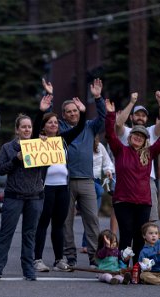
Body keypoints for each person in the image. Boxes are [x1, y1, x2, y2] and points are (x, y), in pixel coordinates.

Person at [105, 100, 160, 263]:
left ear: (145, 140)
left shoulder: (150, 153)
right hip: (123, 201)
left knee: (139, 236)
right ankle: (123, 268)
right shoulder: (120, 150)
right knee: (126, 234)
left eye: (141, 136)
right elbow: (110, 134)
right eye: (135, 135)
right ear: (130, 137)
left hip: (144, 202)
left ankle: (137, 268)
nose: (138, 138)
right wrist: (110, 115)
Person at [0, 114, 49, 281]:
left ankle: (29, 270)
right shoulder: (8, 148)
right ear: (17, 130)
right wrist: (16, 159)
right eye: (23, 127)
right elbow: (1, 170)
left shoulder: (39, 145)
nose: (27, 129)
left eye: (29, 127)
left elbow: (49, 162)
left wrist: (46, 145)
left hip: (35, 196)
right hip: (14, 196)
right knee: (6, 233)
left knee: (30, 234)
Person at [32, 93, 87, 272]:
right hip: (45, 188)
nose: (54, 125)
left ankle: (59, 260)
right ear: (44, 126)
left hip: (62, 188)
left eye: (56, 122)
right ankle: (37, 259)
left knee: (59, 225)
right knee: (42, 223)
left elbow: (79, 128)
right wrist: (41, 112)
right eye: (50, 122)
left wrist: (83, 112)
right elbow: (33, 132)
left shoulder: (62, 140)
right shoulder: (38, 141)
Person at [58, 78, 105, 268]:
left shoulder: (89, 126)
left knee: (92, 220)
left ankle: (95, 258)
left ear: (80, 112)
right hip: (66, 181)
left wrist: (97, 98)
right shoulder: (60, 129)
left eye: (75, 111)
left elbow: (103, 118)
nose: (72, 113)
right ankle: (70, 257)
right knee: (66, 222)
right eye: (69, 111)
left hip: (86, 180)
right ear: (64, 115)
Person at [115, 91, 160, 222]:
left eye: (143, 116)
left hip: (148, 180)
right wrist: (132, 102)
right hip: (127, 180)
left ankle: (147, 243)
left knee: (150, 222)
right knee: (128, 222)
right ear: (131, 117)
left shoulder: (151, 131)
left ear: (146, 119)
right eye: (137, 114)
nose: (140, 117)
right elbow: (117, 124)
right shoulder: (126, 132)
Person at [80, 135, 114, 254]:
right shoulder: (79, 144)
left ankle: (87, 244)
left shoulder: (100, 147)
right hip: (80, 180)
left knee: (92, 215)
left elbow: (107, 162)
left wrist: (108, 171)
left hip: (95, 180)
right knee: (85, 214)